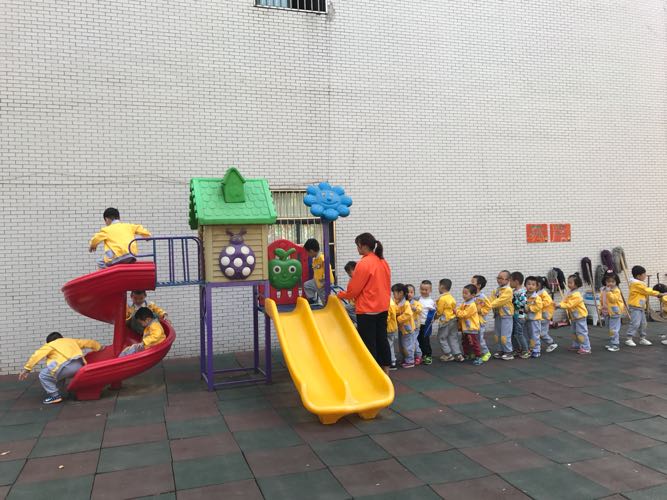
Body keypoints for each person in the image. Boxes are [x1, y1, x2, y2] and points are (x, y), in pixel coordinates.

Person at [337, 233, 392, 373]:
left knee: (369, 342)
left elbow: (354, 290)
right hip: (382, 307)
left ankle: (372, 372)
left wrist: (340, 295)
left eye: (357, 245)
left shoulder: (364, 263)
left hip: (367, 309)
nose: (357, 248)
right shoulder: (382, 261)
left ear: (363, 246)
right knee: (382, 339)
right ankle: (385, 370)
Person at [19, 332, 102, 404]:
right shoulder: (71, 341)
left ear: (49, 341)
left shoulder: (50, 345)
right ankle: (60, 392)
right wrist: (99, 347)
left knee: (44, 375)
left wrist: (27, 369)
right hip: (79, 366)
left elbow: (36, 355)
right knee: (57, 375)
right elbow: (89, 342)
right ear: (61, 337)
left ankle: (55, 396)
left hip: (65, 367)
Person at [625, 265, 663, 346]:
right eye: (644, 274)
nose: (645, 276)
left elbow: (646, 290)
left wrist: (657, 293)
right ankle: (629, 338)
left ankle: (642, 338)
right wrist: (658, 293)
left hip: (641, 307)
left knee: (643, 323)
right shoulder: (636, 284)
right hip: (635, 307)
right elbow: (646, 291)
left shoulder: (640, 284)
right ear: (638, 276)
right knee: (635, 323)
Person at [557, 273, 591, 354]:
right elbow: (564, 301)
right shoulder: (570, 292)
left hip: (580, 316)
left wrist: (560, 305)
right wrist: (558, 305)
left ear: (576, 284)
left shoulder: (577, 295)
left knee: (581, 332)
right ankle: (576, 345)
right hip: (574, 316)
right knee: (574, 331)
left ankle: (586, 347)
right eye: (568, 282)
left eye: (570, 283)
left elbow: (570, 304)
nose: (568, 284)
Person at [456, 284, 484, 366]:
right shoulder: (465, 303)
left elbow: (464, 314)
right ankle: (467, 354)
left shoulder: (472, 305)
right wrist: (457, 310)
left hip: (471, 328)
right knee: (465, 342)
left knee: (474, 343)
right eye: (463, 293)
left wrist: (456, 312)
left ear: (473, 295)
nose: (463, 295)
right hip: (465, 328)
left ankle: (478, 356)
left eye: (466, 293)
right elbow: (459, 309)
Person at [436, 278, 463, 362]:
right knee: (453, 337)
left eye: (438, 286)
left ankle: (448, 354)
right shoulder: (451, 297)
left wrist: (434, 318)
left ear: (442, 286)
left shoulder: (442, 299)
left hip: (445, 321)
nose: (438, 287)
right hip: (453, 319)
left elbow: (439, 311)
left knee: (441, 337)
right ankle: (458, 354)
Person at [491, 270, 515, 360]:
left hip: (506, 316)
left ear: (508, 280)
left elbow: (500, 301)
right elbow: (491, 300)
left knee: (505, 335)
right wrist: (485, 305)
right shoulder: (496, 290)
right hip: (498, 315)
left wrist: (488, 306)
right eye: (498, 278)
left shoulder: (508, 290)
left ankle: (508, 352)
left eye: (501, 278)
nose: (499, 280)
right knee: (497, 335)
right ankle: (500, 350)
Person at [303, 238, 335, 305]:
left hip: (324, 283)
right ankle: (312, 300)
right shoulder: (315, 260)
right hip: (316, 282)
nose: (307, 254)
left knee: (325, 302)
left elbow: (328, 268)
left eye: (307, 252)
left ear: (311, 251)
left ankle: (327, 306)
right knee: (307, 285)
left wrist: (325, 279)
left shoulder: (322, 258)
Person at [392, 284, 417, 368]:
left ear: (401, 293)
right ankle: (406, 358)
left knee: (407, 344)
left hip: (407, 328)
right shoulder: (398, 302)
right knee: (403, 344)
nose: (393, 295)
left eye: (394, 293)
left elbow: (408, 314)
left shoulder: (406, 303)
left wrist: (398, 319)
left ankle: (410, 361)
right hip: (403, 328)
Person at [601, 272, 625, 352]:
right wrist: (600, 308)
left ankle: (615, 344)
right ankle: (612, 342)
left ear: (616, 282)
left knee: (613, 329)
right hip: (606, 311)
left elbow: (613, 299)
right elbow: (602, 300)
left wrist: (609, 292)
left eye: (613, 281)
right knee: (609, 328)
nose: (610, 283)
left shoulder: (616, 290)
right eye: (608, 281)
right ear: (605, 281)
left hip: (615, 312)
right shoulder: (604, 290)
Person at [471, 275, 492, 362]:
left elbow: (488, 307)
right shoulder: (472, 295)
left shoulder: (482, 296)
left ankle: (486, 352)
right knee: (473, 338)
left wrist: (480, 311)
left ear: (479, 285)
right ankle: (476, 352)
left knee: (480, 338)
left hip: (480, 321)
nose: (471, 283)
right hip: (473, 320)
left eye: (473, 282)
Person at [510, 271, 530, 359]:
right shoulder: (514, 291)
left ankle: (526, 350)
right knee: (514, 334)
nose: (509, 283)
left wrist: (513, 300)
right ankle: (517, 349)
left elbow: (523, 304)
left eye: (511, 281)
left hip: (520, 315)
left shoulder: (521, 292)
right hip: (515, 315)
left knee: (519, 334)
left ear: (516, 281)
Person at [524, 276, 544, 358]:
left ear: (536, 287)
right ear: (525, 285)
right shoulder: (524, 295)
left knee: (534, 335)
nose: (530, 286)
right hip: (526, 319)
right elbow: (522, 306)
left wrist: (529, 308)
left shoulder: (536, 297)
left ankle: (536, 350)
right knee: (527, 335)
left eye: (533, 284)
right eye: (528, 284)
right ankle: (530, 348)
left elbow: (539, 306)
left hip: (534, 320)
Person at [417, 280, 436, 365]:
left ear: (430, 290)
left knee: (425, 340)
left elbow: (434, 313)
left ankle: (428, 355)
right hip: (417, 324)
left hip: (426, 325)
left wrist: (433, 319)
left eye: (426, 290)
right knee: (418, 340)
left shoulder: (431, 301)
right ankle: (421, 355)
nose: (423, 291)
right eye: (422, 289)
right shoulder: (417, 299)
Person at [537, 277, 558, 352]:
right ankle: (537, 346)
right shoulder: (538, 292)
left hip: (545, 316)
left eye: (534, 284)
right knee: (537, 331)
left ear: (540, 285)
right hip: (541, 316)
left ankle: (551, 343)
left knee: (541, 333)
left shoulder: (543, 293)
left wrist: (537, 304)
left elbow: (547, 302)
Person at [406, 284, 424, 365]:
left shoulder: (416, 303)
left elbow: (420, 310)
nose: (409, 294)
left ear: (414, 293)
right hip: (407, 326)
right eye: (407, 292)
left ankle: (418, 356)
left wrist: (414, 308)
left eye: (411, 292)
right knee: (411, 342)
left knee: (413, 342)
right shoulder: (404, 302)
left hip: (415, 326)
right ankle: (412, 356)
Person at [386, 297, 399, 370]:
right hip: (393, 327)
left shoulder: (387, 304)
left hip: (388, 328)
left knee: (388, 345)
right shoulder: (392, 302)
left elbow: (387, 318)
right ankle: (392, 360)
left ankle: (391, 362)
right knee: (391, 344)